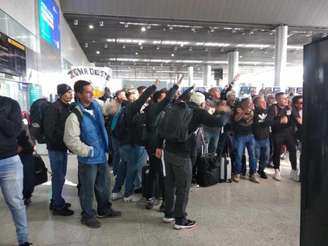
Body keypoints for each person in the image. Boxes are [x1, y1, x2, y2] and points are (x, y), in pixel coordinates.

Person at [162, 92, 230, 230]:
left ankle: (168, 214)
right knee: (183, 187)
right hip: (182, 155)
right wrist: (224, 112)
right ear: (202, 103)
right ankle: (180, 220)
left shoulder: (177, 107)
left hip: (168, 150)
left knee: (170, 184)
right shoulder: (199, 112)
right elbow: (219, 122)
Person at [64, 80, 121, 228]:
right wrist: (88, 151)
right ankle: (87, 215)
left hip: (101, 155)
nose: (91, 94)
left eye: (92, 91)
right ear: (78, 94)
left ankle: (104, 209)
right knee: (87, 189)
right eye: (87, 92)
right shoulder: (75, 115)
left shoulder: (96, 106)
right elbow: (70, 140)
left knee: (104, 184)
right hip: (88, 159)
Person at [112, 83, 157, 202]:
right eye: (137, 94)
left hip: (123, 143)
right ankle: (128, 194)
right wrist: (153, 87)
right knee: (132, 169)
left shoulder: (124, 108)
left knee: (123, 167)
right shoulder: (132, 107)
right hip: (132, 143)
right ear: (132, 96)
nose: (140, 96)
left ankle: (116, 191)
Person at [144, 79, 181, 209]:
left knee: (155, 171)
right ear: (158, 99)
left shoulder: (155, 109)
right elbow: (168, 99)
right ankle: (163, 201)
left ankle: (152, 197)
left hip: (153, 143)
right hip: (156, 144)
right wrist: (175, 86)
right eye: (164, 98)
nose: (168, 100)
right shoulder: (155, 109)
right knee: (161, 172)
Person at [0, 94, 31, 246]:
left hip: (9, 161)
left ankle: (23, 240)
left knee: (16, 203)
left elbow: (13, 130)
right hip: (9, 160)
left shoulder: (10, 104)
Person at [43, 84, 74, 216]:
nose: (70, 94)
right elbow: (50, 131)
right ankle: (57, 205)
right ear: (60, 94)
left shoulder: (66, 107)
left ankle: (57, 199)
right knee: (58, 176)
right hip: (56, 148)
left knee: (60, 176)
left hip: (62, 147)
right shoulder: (54, 108)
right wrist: (64, 143)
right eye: (67, 92)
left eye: (71, 92)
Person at [268, 92, 298, 182]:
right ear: (277, 99)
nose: (286, 100)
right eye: (283, 98)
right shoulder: (273, 108)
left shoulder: (290, 107)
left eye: (286, 98)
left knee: (293, 150)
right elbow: (269, 122)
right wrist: (280, 120)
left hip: (289, 133)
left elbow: (296, 118)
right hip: (277, 133)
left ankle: (294, 170)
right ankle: (277, 170)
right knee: (277, 151)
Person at [232, 98, 259, 184]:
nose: (251, 104)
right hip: (240, 135)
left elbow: (254, 120)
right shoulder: (237, 109)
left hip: (250, 135)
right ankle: (237, 173)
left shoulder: (253, 110)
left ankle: (253, 174)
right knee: (239, 155)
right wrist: (243, 112)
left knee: (253, 156)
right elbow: (236, 119)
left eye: (251, 103)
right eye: (249, 103)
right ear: (243, 104)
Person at [17, 114, 36, 206]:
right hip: (16, 153)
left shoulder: (22, 125)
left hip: (24, 153)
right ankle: (25, 196)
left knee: (27, 176)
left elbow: (29, 140)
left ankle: (26, 196)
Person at [253, 96, 272, 179]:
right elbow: (259, 123)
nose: (264, 103)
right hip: (255, 138)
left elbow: (270, 121)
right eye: (261, 102)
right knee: (255, 156)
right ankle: (253, 171)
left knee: (265, 156)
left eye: (264, 101)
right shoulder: (254, 112)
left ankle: (261, 170)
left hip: (266, 137)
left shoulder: (268, 111)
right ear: (256, 104)